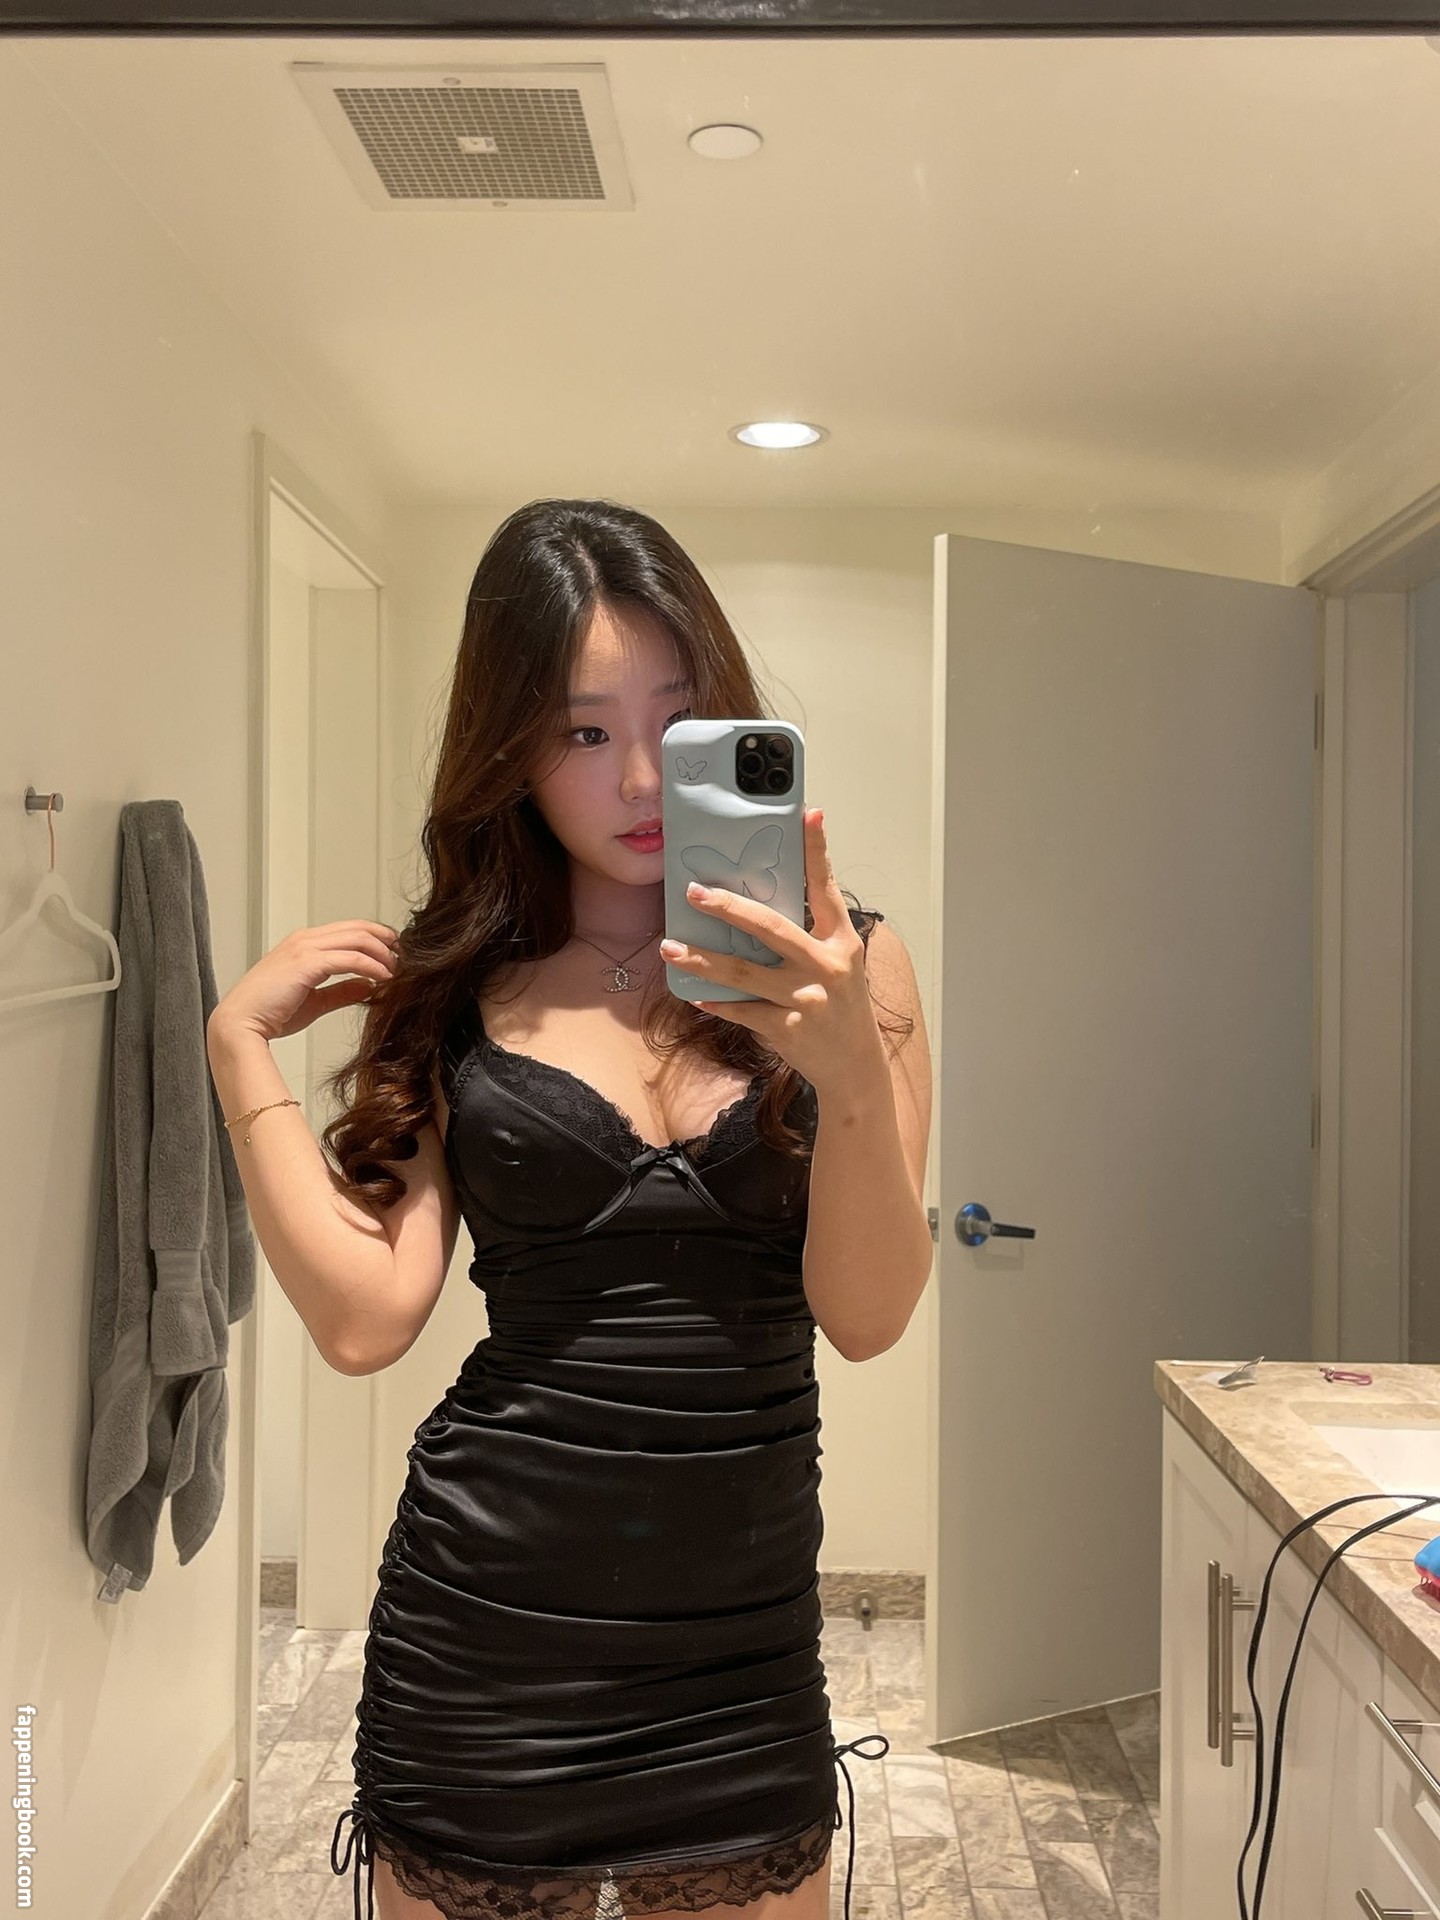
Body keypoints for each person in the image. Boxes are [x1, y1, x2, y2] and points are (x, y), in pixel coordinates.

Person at [205, 498, 935, 1920]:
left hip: (742, 1660)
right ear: (510, 753)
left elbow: (868, 1315)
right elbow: (366, 1321)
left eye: (681, 720)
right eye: (584, 731)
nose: (643, 776)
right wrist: (239, 1050)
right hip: (486, 1643)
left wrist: (850, 1073)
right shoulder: (454, 986)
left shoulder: (853, 969)